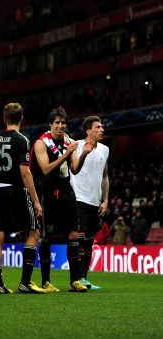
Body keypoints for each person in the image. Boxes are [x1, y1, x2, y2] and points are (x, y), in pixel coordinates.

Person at [0, 103, 46, 294]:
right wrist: (35, 200)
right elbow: (25, 172)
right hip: (16, 192)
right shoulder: (22, 140)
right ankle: (25, 281)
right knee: (34, 232)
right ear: (21, 118)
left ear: (4, 118)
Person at [30, 107, 89, 293]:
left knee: (73, 234)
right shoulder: (42, 143)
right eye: (57, 123)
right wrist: (65, 154)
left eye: (64, 123)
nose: (61, 126)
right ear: (51, 124)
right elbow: (46, 169)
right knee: (47, 238)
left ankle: (75, 281)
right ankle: (46, 281)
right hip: (47, 191)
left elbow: (74, 169)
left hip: (66, 191)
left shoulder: (70, 141)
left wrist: (84, 154)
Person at [69, 115, 109, 290]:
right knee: (80, 240)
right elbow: (74, 169)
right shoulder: (75, 145)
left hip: (94, 201)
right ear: (88, 131)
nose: (102, 129)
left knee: (90, 241)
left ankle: (84, 278)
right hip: (78, 199)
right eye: (98, 127)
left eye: (102, 127)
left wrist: (105, 199)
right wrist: (85, 152)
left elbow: (105, 176)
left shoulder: (105, 149)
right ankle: (76, 279)